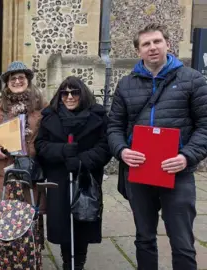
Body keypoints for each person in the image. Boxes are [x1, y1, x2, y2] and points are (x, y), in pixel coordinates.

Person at [107, 23, 207, 270]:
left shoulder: (192, 79)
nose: (152, 48)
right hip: (139, 174)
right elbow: (113, 127)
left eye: (157, 42)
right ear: (138, 51)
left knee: (182, 242)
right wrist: (122, 151)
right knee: (144, 239)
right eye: (146, 44)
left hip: (178, 173)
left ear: (167, 44)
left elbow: (205, 126)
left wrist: (186, 156)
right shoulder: (126, 84)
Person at [35, 76, 112, 270]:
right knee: (63, 224)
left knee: (83, 221)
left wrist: (81, 160)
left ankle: (78, 263)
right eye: (65, 93)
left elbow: (105, 147)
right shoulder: (49, 117)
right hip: (59, 178)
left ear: (82, 94)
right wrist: (61, 151)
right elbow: (41, 145)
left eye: (74, 92)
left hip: (85, 178)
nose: (69, 97)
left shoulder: (98, 117)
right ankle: (67, 262)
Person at [0, 61, 47, 243]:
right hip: (4, 167)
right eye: (13, 78)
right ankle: (1, 255)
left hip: (29, 167)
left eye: (21, 78)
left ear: (28, 81)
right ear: (7, 82)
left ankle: (28, 254)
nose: (17, 81)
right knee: (2, 211)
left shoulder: (40, 106)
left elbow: (50, 130)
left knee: (29, 209)